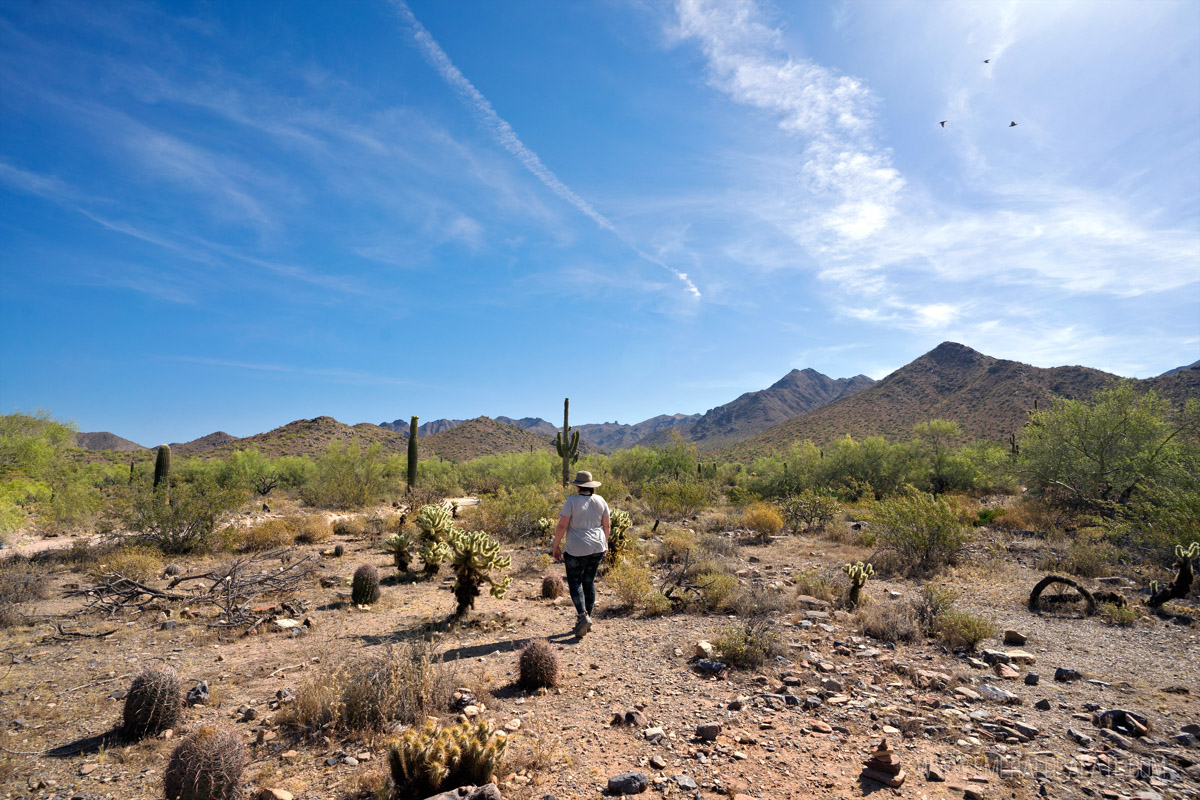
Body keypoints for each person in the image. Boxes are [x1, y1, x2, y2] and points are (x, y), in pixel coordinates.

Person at [552, 470, 610, 638]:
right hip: (597, 546)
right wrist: (605, 543)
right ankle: (587, 618)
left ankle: (583, 617)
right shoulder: (600, 500)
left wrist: (556, 546)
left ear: (578, 486)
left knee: (575, 582)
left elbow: (562, 525)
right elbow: (606, 525)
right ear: (591, 486)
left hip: (577, 547)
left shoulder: (572, 501)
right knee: (589, 581)